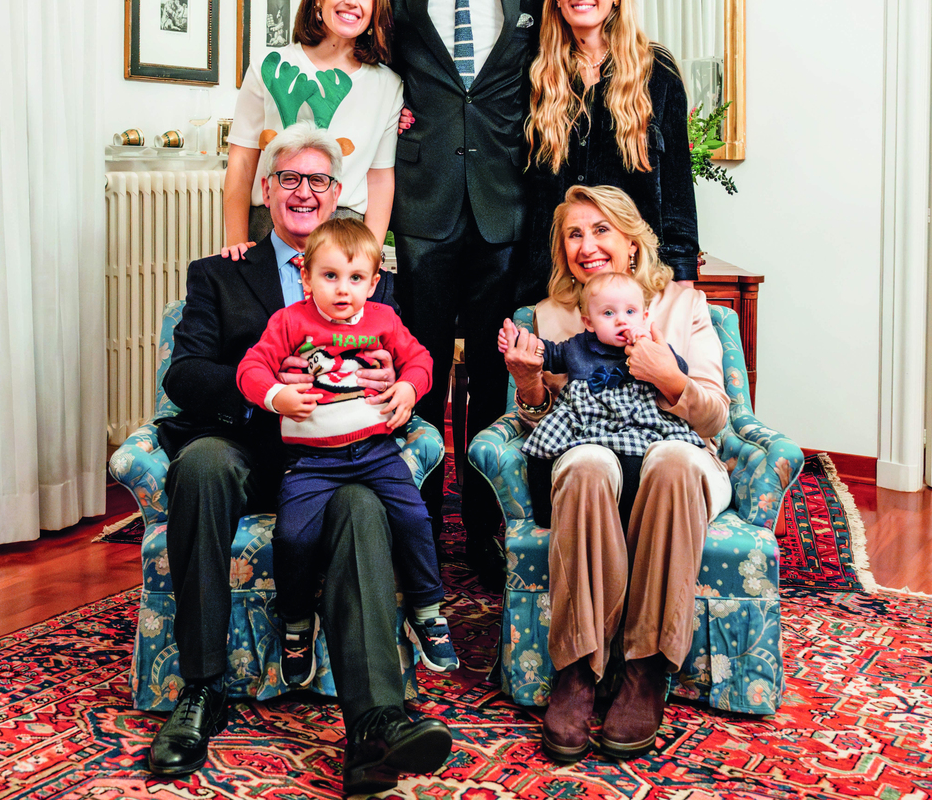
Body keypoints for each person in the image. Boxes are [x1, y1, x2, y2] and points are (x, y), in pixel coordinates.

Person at [149, 124, 454, 793]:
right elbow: (184, 373)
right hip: (246, 444)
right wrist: (265, 392)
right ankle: (200, 689)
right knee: (199, 466)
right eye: (290, 178)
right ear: (267, 190)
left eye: (319, 179)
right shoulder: (220, 272)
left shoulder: (374, 280)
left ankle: (376, 720)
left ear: (337, 193)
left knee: (363, 506)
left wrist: (397, 388)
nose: (304, 191)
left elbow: (407, 362)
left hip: (339, 456)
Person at [499, 184, 729, 763]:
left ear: (632, 242)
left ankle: (646, 668)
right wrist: (528, 381)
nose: (587, 245)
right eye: (574, 234)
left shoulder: (682, 304)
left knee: (673, 461)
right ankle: (578, 668)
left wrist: (667, 376)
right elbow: (542, 421)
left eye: (601, 230)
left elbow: (717, 416)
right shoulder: (551, 315)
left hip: (674, 459)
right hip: (594, 455)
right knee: (585, 462)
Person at [389, 0, 548, 583]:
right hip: (421, 207)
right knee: (419, 368)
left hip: (501, 206)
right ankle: (418, 523)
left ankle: (484, 528)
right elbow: (370, 77)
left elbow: (544, 91)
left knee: (489, 373)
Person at [236, 217, 458, 686]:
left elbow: (420, 359)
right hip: (311, 462)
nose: (343, 289)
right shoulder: (289, 322)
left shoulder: (383, 320)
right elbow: (250, 368)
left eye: (356, 278)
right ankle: (297, 623)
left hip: (376, 452)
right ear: (306, 277)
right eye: (330, 275)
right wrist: (276, 396)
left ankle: (427, 611)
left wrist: (408, 388)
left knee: (415, 519)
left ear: (373, 283)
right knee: (292, 536)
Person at [519, 0, 700, 303]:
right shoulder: (535, 74)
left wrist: (682, 280)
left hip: (634, 282)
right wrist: (408, 113)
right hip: (552, 280)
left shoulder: (656, 71)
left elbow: (677, 187)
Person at [224, 0, 402, 255]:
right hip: (269, 225)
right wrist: (236, 244)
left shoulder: (388, 85)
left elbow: (380, 180)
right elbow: (241, 161)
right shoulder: (269, 66)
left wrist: (369, 255)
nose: (352, 0)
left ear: (375, 8)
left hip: (346, 234)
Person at [501, 271, 702, 464]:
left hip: (636, 420)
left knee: (654, 450)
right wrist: (518, 341)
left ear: (644, 317)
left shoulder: (649, 347)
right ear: (589, 322)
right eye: (608, 313)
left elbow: (680, 370)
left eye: (630, 311)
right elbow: (549, 353)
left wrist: (652, 348)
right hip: (585, 420)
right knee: (545, 446)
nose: (621, 320)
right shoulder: (577, 346)